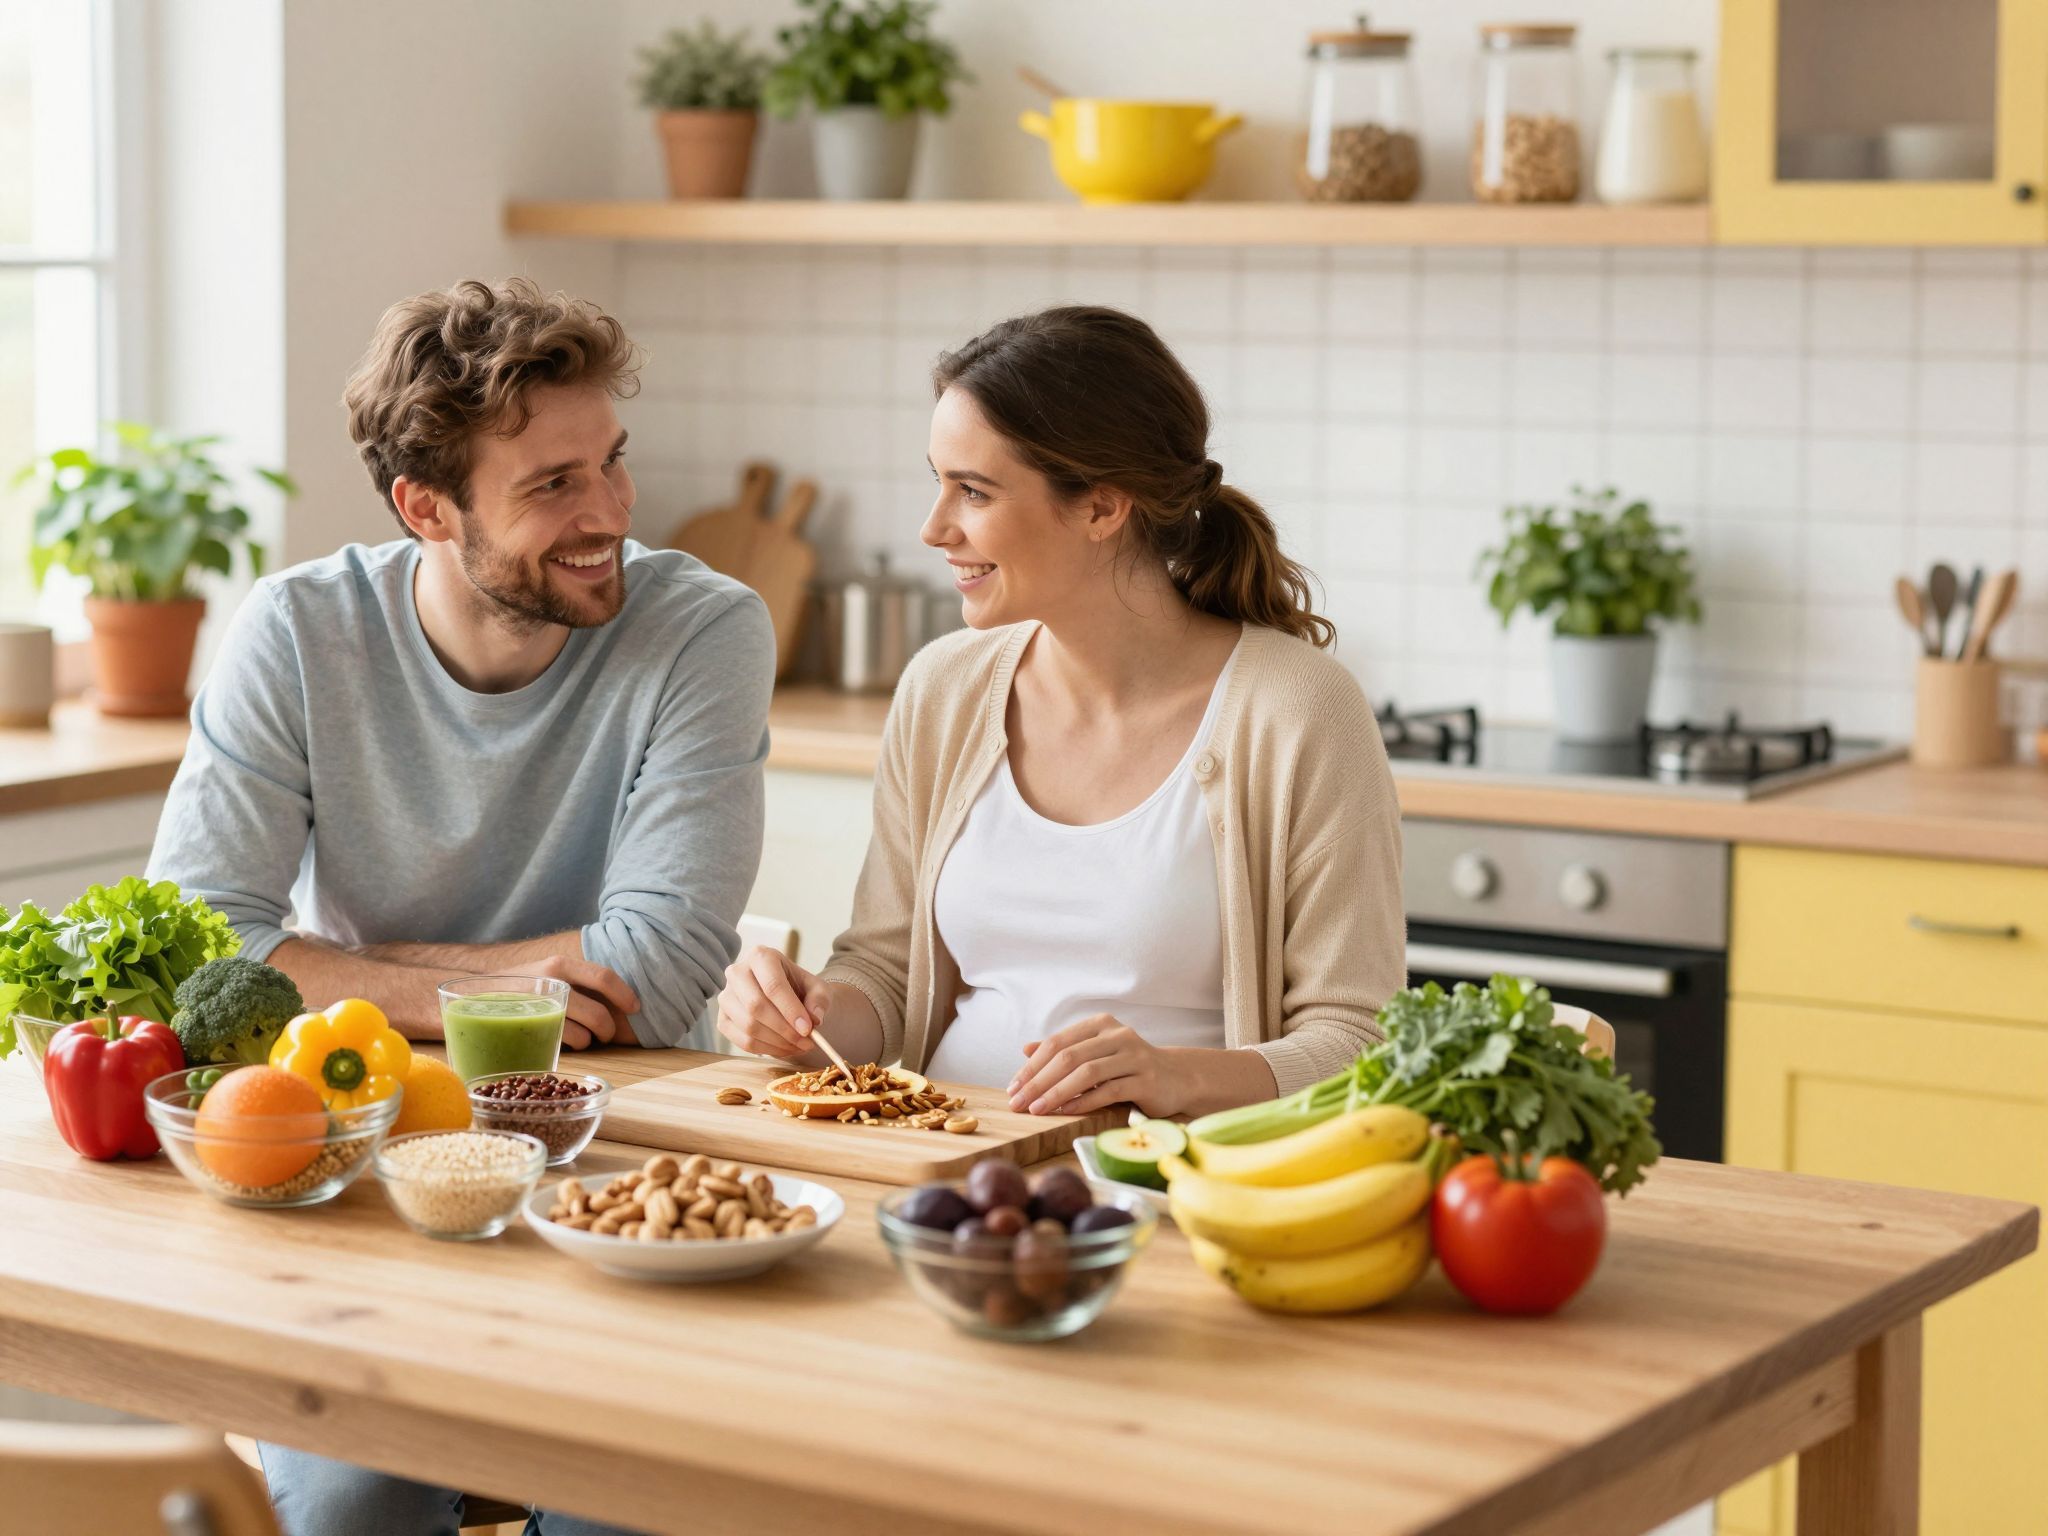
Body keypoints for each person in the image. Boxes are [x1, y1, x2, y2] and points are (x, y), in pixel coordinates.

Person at [147, 277, 773, 1536]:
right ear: (424, 508)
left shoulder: (704, 629)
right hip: (376, 1178)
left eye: (610, 463)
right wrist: (480, 988)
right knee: (346, 1514)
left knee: (635, 1515)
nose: (606, 513)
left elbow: (653, 966)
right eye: (551, 485)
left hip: (632, 1183)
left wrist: (339, 970)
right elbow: (207, 947)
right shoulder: (299, 631)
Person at [715, 306, 1404, 1120]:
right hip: (946, 1166)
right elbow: (888, 978)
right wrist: (808, 1017)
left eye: (972, 491)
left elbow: (1359, 1037)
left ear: (1102, 509)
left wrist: (1175, 1077)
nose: (934, 528)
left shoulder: (1297, 711)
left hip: (1169, 1188)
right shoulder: (943, 689)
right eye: (937, 482)